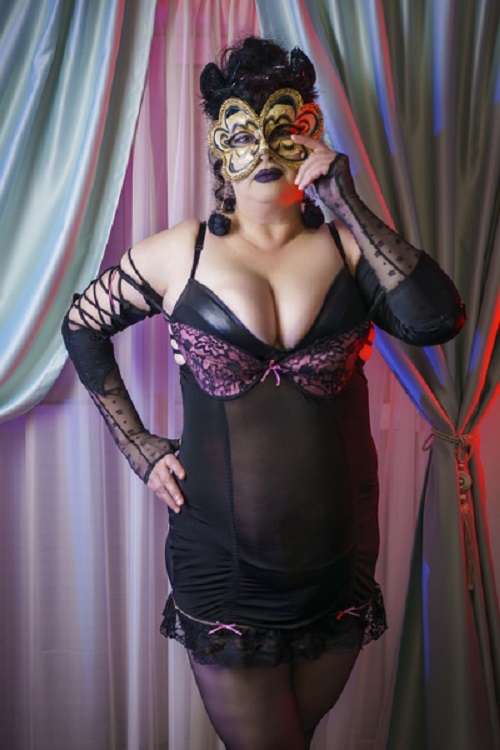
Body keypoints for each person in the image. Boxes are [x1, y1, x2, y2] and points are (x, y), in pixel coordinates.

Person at [61, 35, 466, 750]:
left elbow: (438, 320)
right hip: (223, 566)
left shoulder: (347, 248)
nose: (265, 149)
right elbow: (82, 324)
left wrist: (345, 201)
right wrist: (139, 445)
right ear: (219, 148)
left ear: (310, 129)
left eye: (284, 125)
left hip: (339, 557)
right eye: (243, 131)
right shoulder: (180, 252)